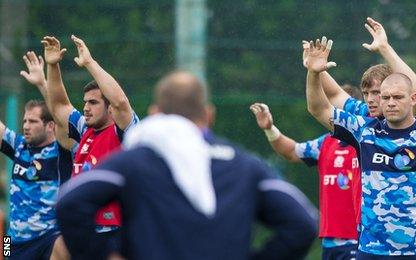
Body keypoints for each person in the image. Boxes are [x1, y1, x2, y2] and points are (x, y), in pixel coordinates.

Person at [56, 71, 319, 260]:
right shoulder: (245, 166)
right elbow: (304, 223)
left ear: (156, 112)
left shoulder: (133, 162)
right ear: (209, 115)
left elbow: (69, 202)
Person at [304, 35, 416, 259]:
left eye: (397, 97)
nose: (390, 102)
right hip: (371, 251)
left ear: (413, 98)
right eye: (385, 97)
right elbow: (318, 108)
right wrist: (314, 73)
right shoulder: (363, 131)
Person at [41, 35, 139, 252]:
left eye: (93, 103)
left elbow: (121, 102)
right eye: (85, 102)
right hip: (77, 227)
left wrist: (89, 63)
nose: (85, 108)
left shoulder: (124, 132)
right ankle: (6, 252)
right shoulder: (85, 129)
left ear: (110, 108)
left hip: (112, 230)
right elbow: (58, 107)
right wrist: (53, 65)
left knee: (55, 246)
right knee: (55, 247)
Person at [249, 83, 362, 260]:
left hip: (359, 241)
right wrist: (270, 129)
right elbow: (291, 151)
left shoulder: (368, 144)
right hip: (330, 242)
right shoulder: (326, 143)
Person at [1, 51, 74, 259]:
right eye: (24, 121)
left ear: (50, 126)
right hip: (12, 240)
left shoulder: (61, 151)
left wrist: (43, 83)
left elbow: (62, 115)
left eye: (32, 122)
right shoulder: (18, 146)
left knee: (64, 246)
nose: (25, 126)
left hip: (48, 237)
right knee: (3, 249)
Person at [313, 17, 416, 120]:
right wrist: (315, 69)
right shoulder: (364, 113)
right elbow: (335, 94)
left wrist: (384, 48)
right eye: (366, 93)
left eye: (375, 92)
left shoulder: (408, 117)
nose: (369, 100)